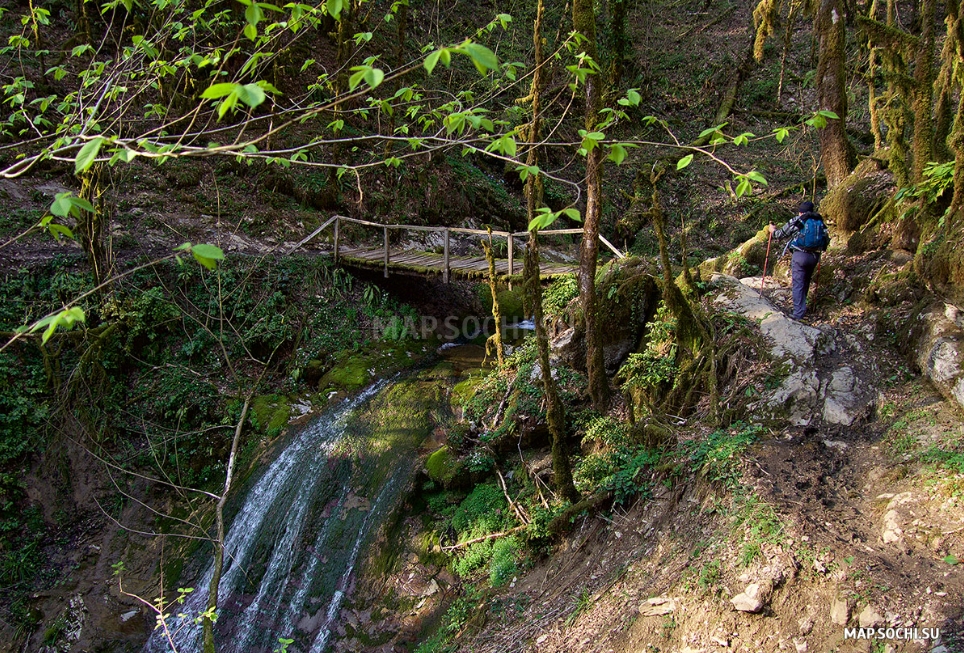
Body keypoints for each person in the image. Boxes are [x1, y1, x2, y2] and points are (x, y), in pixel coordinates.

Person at [767, 200, 829, 321]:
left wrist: (772, 230)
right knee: (805, 281)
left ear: (801, 212)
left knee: (798, 283)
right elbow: (826, 239)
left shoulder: (798, 220)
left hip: (800, 255)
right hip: (814, 256)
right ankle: (802, 307)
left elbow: (780, 234)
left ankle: (798, 313)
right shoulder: (819, 221)